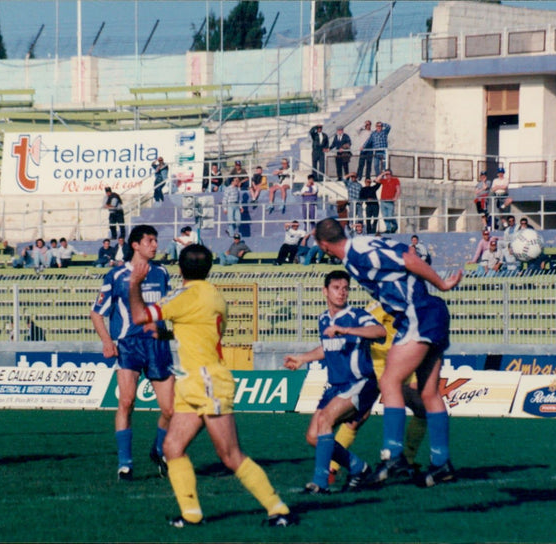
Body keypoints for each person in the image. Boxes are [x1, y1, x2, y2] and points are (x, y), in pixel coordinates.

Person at [128, 244, 295, 527]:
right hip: (193, 380)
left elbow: (138, 316)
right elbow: (199, 326)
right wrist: (166, 331)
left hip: (206, 380)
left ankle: (279, 510)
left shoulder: (185, 294)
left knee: (230, 455)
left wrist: (135, 284)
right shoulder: (214, 295)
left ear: (180, 269)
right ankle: (191, 515)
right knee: (172, 447)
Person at [314, 217, 463, 488]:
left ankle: (393, 455)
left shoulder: (358, 252)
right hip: (425, 313)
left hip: (417, 313)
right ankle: (441, 464)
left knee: (390, 381)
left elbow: (408, 258)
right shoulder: (358, 249)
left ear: (323, 245)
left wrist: (440, 283)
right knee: (428, 392)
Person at [283, 270, 385, 494]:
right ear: (325, 291)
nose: (342, 293)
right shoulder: (323, 319)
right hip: (336, 386)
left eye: (345, 288)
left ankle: (320, 483)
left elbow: (380, 330)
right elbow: (327, 349)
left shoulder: (356, 315)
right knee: (313, 436)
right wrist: (301, 358)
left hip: (360, 382)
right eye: (336, 288)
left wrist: (346, 329)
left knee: (326, 420)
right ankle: (359, 468)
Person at [90, 225, 174, 481]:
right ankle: (125, 463)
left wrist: (169, 332)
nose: (155, 245)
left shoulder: (161, 272)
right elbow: (97, 312)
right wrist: (107, 341)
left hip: (157, 344)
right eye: (149, 240)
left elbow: (168, 307)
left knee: (170, 410)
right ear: (135, 245)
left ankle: (159, 450)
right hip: (129, 344)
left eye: (156, 240)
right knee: (126, 402)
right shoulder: (116, 276)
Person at [378, 169, 401, 234]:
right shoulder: (384, 181)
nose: (387, 176)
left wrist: (396, 197)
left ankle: (395, 226)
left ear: (391, 174)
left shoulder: (395, 180)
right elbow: (376, 180)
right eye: (386, 174)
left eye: (388, 174)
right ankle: (388, 229)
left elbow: (398, 189)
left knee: (390, 216)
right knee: (384, 216)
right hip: (383, 201)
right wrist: (383, 173)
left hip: (390, 201)